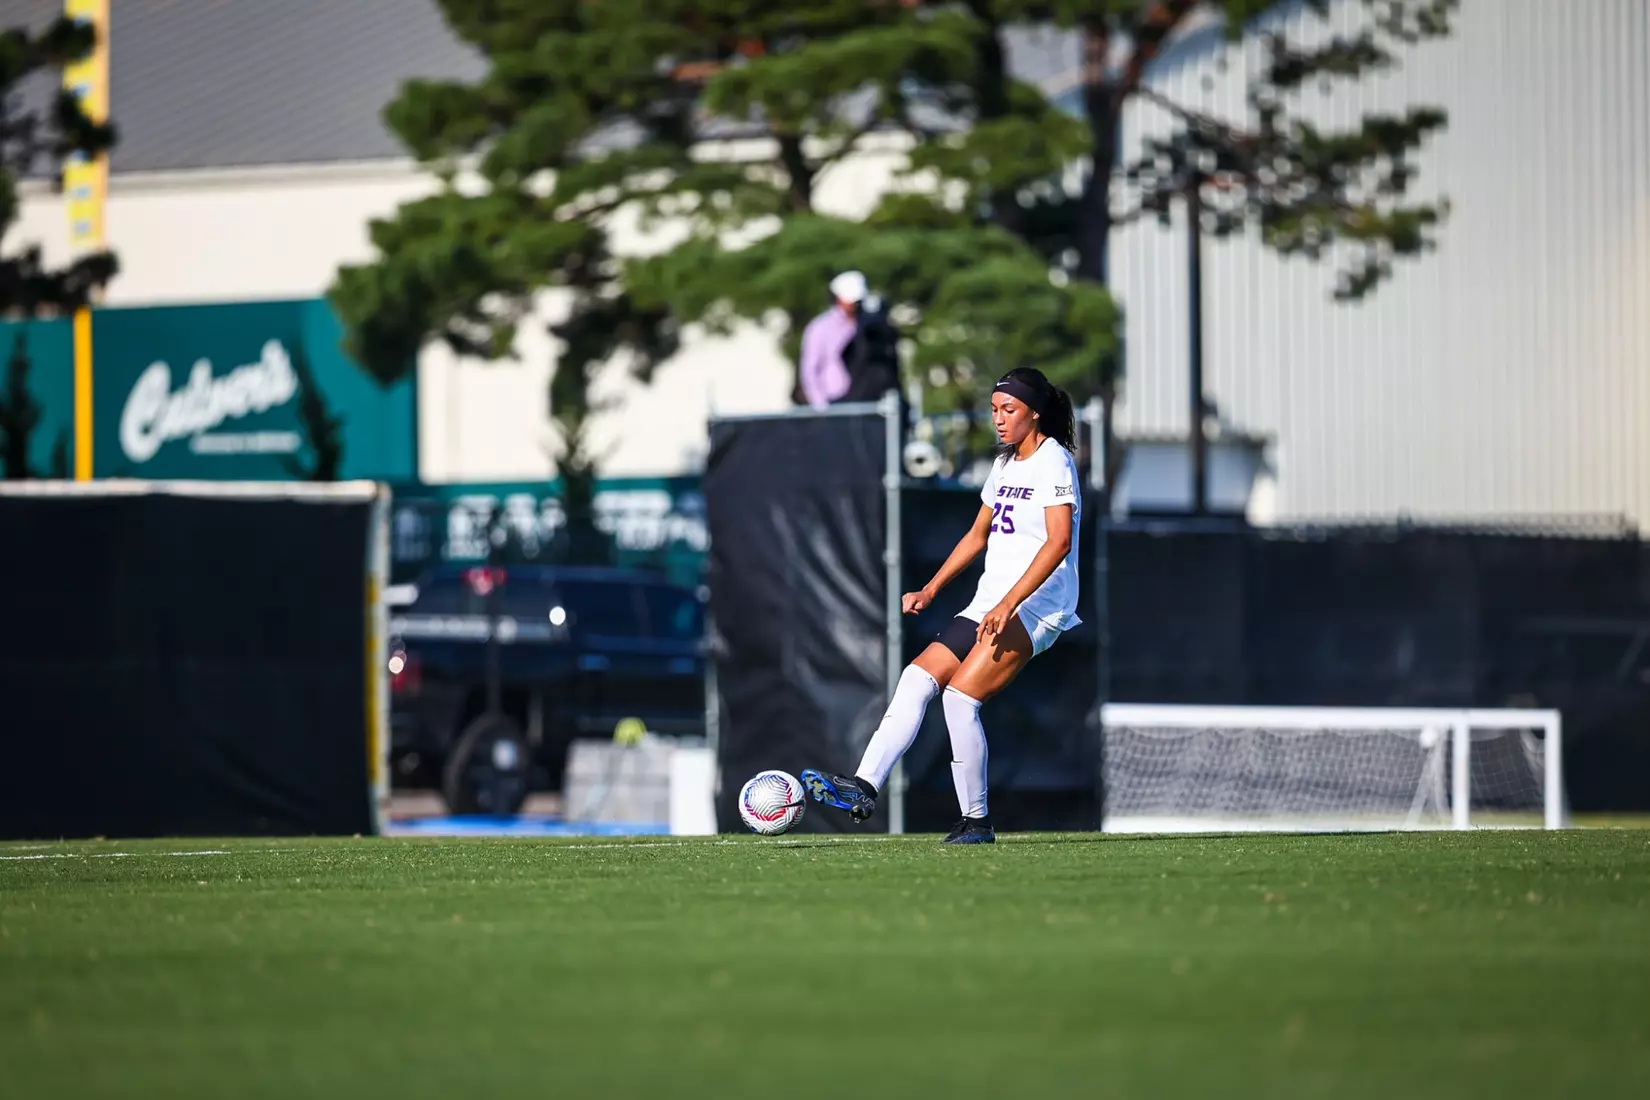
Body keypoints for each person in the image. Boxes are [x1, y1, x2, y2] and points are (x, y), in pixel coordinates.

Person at [802, 366, 1082, 844]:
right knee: (916, 680)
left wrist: (1010, 604)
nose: (998, 419)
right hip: (990, 602)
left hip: (1038, 607)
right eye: (994, 409)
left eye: (1009, 409)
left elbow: (1059, 543)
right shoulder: (1005, 464)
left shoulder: (1053, 460)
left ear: (1035, 412)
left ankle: (977, 822)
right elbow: (977, 535)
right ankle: (863, 787)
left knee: (959, 699)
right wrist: (931, 589)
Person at [798, 270, 868, 408]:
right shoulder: (820, 328)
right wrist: (821, 406)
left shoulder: (869, 325)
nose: (854, 304)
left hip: (865, 400)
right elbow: (810, 370)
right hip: (834, 402)